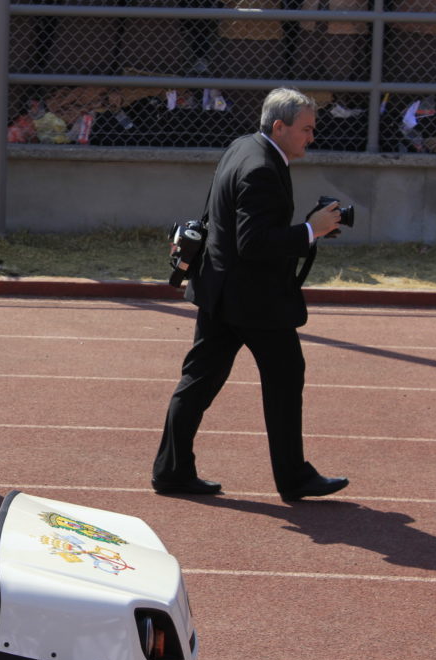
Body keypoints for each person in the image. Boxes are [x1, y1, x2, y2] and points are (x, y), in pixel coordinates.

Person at [151, 88, 350, 502]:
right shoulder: (261, 168)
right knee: (284, 378)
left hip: (218, 290)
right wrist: (312, 229)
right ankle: (293, 477)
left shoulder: (243, 147)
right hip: (254, 302)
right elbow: (254, 243)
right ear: (280, 127)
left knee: (199, 381)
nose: (311, 137)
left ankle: (171, 470)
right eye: (306, 129)